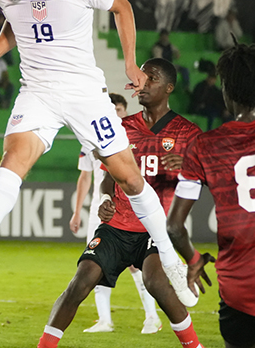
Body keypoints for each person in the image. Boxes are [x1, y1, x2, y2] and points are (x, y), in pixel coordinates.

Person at [0, 0, 197, 314]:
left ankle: (169, 259)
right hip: (37, 93)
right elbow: (16, 25)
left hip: (85, 95)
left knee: (130, 179)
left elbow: (123, 7)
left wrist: (131, 63)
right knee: (13, 159)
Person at [38, 58, 204, 348]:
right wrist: (104, 198)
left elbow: (207, 175)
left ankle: (195, 345)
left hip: (155, 229)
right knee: (81, 281)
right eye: (141, 77)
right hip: (116, 226)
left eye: (151, 78)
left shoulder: (188, 133)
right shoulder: (121, 127)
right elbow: (108, 177)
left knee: (155, 284)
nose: (142, 83)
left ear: (169, 88)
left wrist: (189, 167)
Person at [167, 43, 255, 348]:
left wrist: (194, 259)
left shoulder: (204, 147)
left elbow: (173, 227)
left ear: (227, 90)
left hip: (241, 288)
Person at [69, 93, 164, 334]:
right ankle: (104, 320)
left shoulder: (134, 136)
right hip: (101, 207)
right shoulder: (91, 138)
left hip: (131, 207)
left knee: (137, 265)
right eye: (111, 108)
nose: (116, 113)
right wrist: (77, 211)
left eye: (119, 109)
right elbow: (86, 176)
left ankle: (152, 317)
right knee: (95, 262)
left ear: (125, 110)